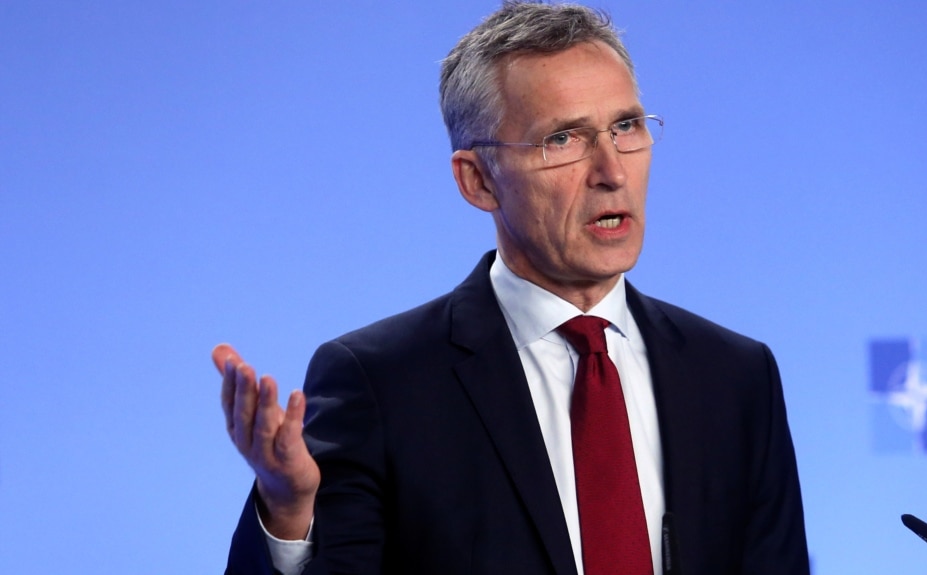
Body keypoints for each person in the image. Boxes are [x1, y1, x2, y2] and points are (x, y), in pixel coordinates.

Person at [215, 2, 810, 574]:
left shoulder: (736, 377)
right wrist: (289, 512)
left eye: (626, 126)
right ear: (478, 181)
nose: (612, 172)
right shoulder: (382, 383)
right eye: (564, 139)